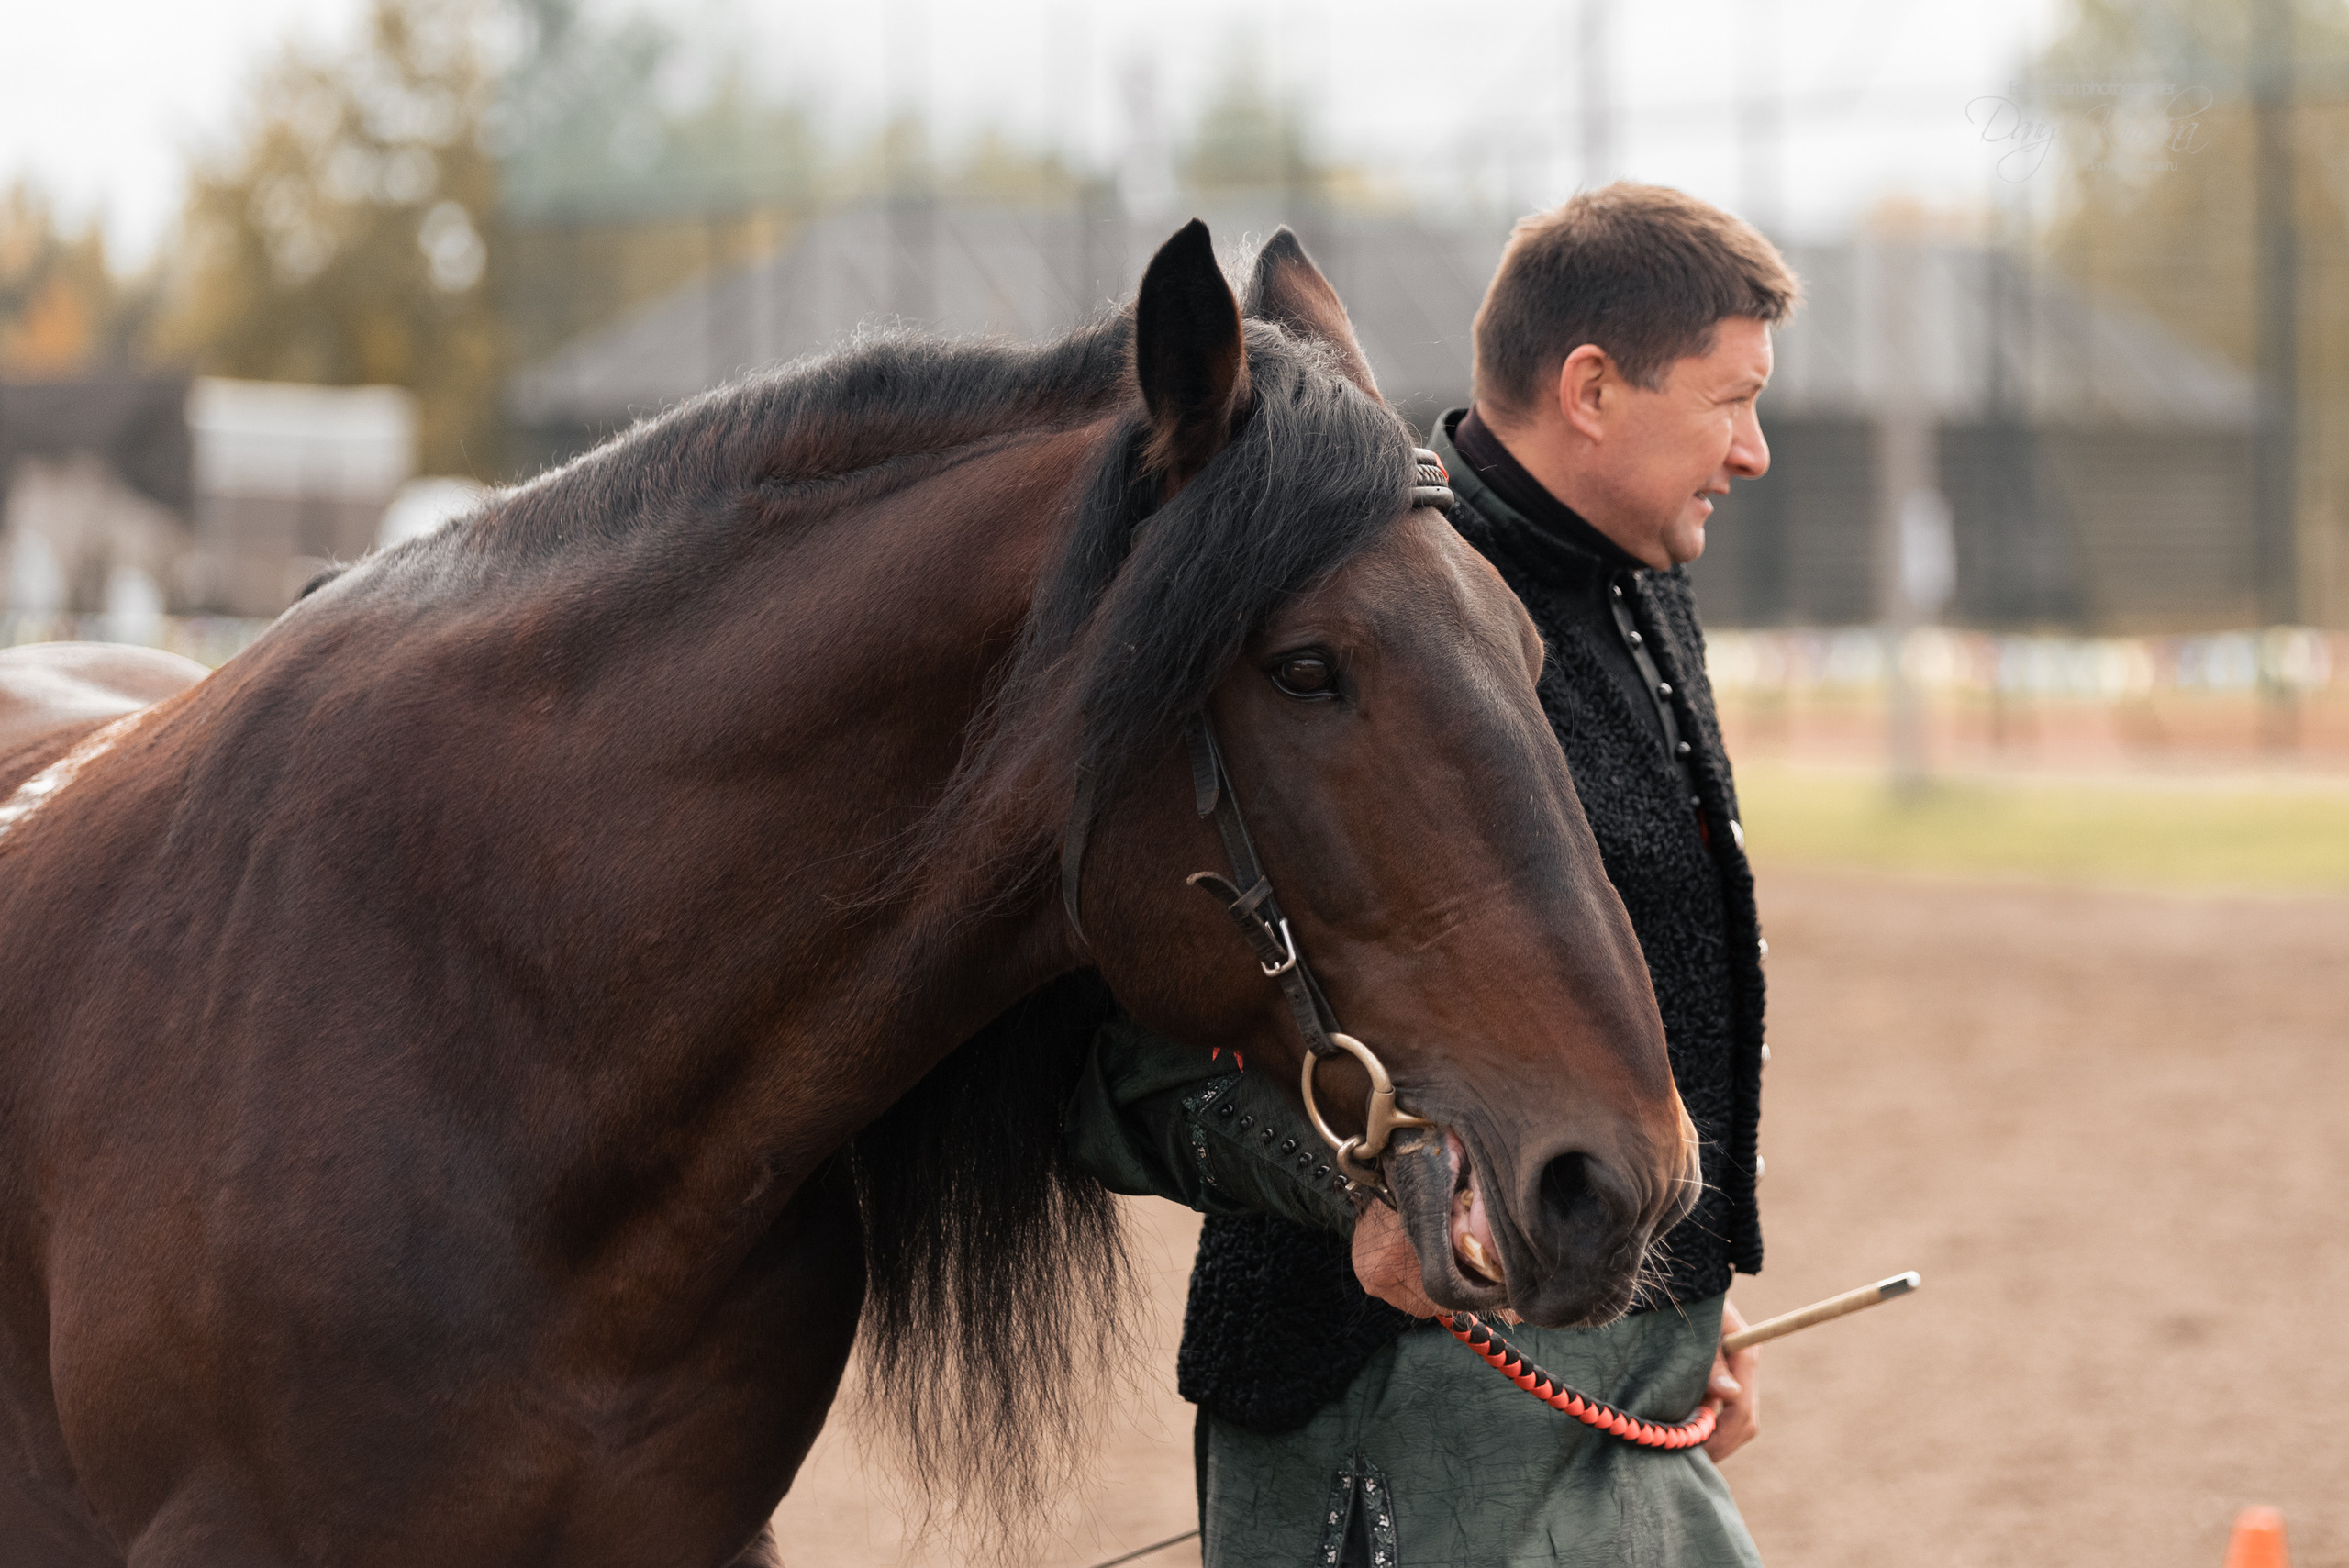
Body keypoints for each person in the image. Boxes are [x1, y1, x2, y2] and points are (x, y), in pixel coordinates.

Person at [1063, 183, 1800, 1566]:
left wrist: (1673, 1287)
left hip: (1629, 1380)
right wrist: (1357, 1193)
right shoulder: (1358, 612)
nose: (1755, 451)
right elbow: (1116, 1064)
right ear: (1592, 389)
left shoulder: (1639, 589)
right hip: (1382, 1407)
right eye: (1733, 401)